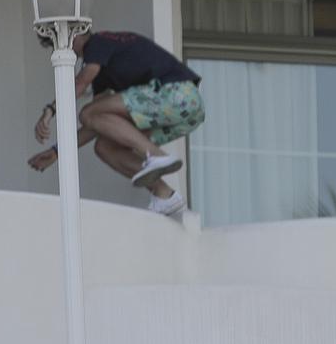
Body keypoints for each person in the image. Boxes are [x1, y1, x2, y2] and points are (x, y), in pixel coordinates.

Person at [28, 31, 204, 216]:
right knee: (104, 147)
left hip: (178, 93)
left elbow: (81, 83)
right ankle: (165, 195)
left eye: (61, 44)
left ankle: (155, 154)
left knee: (88, 111)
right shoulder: (103, 71)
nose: (65, 51)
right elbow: (95, 124)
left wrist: (50, 110)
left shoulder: (97, 42)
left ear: (76, 35)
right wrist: (57, 152)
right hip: (184, 114)